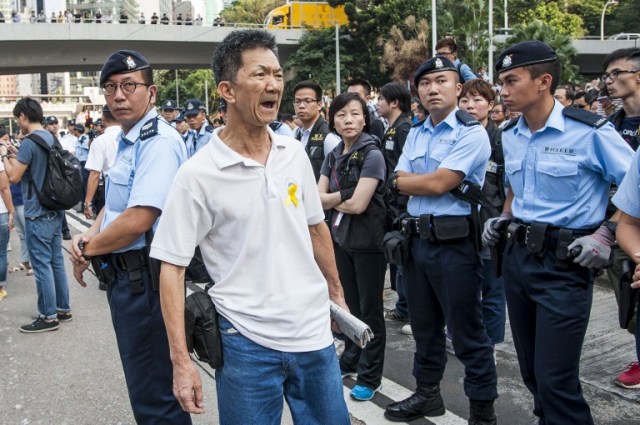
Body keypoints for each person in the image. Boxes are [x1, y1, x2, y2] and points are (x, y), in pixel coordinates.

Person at [149, 29, 350, 424]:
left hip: (314, 338)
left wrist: (337, 297)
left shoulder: (293, 153)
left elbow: (315, 228)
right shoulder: (197, 175)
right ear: (227, 89)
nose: (273, 84)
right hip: (245, 345)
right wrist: (180, 361)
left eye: (277, 74)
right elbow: (171, 268)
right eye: (260, 75)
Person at [484, 40, 634, 425]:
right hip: (518, 260)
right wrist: (504, 215)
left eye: (511, 80)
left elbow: (635, 187)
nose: (502, 90)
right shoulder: (511, 133)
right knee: (532, 373)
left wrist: (608, 231)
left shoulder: (589, 132)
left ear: (543, 81)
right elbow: (519, 184)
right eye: (501, 81)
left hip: (564, 266)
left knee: (556, 380)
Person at [68, 50, 190, 423]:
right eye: (110, 88)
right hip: (126, 279)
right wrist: (91, 231)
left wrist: (87, 248)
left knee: (156, 396)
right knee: (144, 387)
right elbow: (119, 204)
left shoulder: (158, 141)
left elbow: (139, 218)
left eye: (128, 86)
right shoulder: (125, 140)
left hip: (147, 285)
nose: (118, 95)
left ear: (151, 93)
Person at [384, 56, 497, 424]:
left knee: (467, 334)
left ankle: (482, 412)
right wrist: (414, 180)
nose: (433, 88)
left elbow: (437, 183)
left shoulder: (471, 132)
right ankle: (427, 394)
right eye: (426, 82)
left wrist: (414, 180)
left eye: (442, 81)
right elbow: (398, 178)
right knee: (424, 327)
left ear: (458, 88)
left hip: (455, 245)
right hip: (416, 243)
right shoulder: (416, 132)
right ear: (417, 90)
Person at [318, 92, 387, 401]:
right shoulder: (334, 155)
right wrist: (341, 196)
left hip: (368, 242)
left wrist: (336, 199)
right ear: (333, 119)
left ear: (365, 118)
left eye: (355, 114)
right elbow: (316, 197)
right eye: (341, 114)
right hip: (341, 239)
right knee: (350, 305)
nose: (348, 120)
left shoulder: (372, 154)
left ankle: (371, 375)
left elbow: (359, 205)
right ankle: (352, 357)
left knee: (371, 310)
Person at [1, 97, 71, 332]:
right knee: (56, 262)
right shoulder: (50, 137)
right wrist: (16, 152)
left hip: (37, 212)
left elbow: (13, 177)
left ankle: (48, 316)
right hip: (55, 210)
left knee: (41, 266)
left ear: (23, 117)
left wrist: (4, 155)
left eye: (17, 119)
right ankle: (63, 309)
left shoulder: (30, 142)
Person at [458, 79, 507, 350]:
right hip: (461, 224)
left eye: (477, 100)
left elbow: (507, 187)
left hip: (491, 225)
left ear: (491, 105)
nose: (470, 105)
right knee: (465, 288)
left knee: (492, 290)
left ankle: (492, 345)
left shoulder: (501, 140)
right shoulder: (456, 137)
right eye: (465, 100)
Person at [602, 47, 640, 388]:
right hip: (619, 226)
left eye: (617, 74)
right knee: (628, 299)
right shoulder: (609, 125)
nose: (610, 81)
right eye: (607, 76)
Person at [377, 82, 413, 329]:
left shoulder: (404, 129)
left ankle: (408, 309)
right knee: (395, 257)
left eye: (381, 98)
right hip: (391, 202)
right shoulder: (392, 129)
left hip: (403, 202)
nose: (377, 102)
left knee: (403, 257)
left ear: (394, 102)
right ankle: (403, 306)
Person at [293, 80, 341, 180]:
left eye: (307, 101)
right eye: (297, 101)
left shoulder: (329, 137)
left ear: (319, 105)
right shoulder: (295, 133)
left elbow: (338, 175)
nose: (301, 106)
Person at [83, 105, 119, 219]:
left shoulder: (100, 141)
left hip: (110, 190)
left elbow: (94, 174)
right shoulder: (132, 136)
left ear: (103, 118)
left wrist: (87, 203)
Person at [0, 129, 14, 301]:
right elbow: (4, 188)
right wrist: (11, 211)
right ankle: (0, 286)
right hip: (1, 211)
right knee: (1, 252)